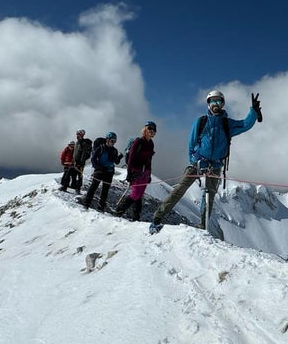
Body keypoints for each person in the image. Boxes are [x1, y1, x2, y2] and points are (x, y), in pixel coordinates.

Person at [148, 90, 262, 235]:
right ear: (208, 104)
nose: (215, 104)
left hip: (215, 165)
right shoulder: (201, 121)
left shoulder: (227, 124)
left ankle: (203, 226)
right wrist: (193, 161)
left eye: (218, 101)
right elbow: (191, 143)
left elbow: (245, 124)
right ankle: (157, 218)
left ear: (222, 103)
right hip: (198, 162)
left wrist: (253, 111)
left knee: (209, 197)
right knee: (179, 190)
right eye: (212, 101)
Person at [112, 121, 157, 221]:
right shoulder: (138, 142)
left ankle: (136, 217)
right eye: (150, 128)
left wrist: (149, 174)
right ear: (145, 129)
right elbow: (131, 158)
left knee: (140, 195)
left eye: (154, 129)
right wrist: (129, 173)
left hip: (145, 173)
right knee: (135, 194)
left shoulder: (151, 144)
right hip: (136, 171)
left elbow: (149, 159)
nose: (152, 131)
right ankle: (119, 210)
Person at [80, 132, 122, 211]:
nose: (113, 143)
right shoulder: (101, 148)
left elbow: (116, 162)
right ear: (107, 140)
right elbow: (93, 159)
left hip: (109, 172)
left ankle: (101, 207)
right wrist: (98, 167)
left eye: (114, 141)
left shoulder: (114, 150)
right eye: (112, 141)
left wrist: (119, 157)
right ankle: (86, 204)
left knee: (105, 191)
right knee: (93, 187)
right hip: (100, 171)